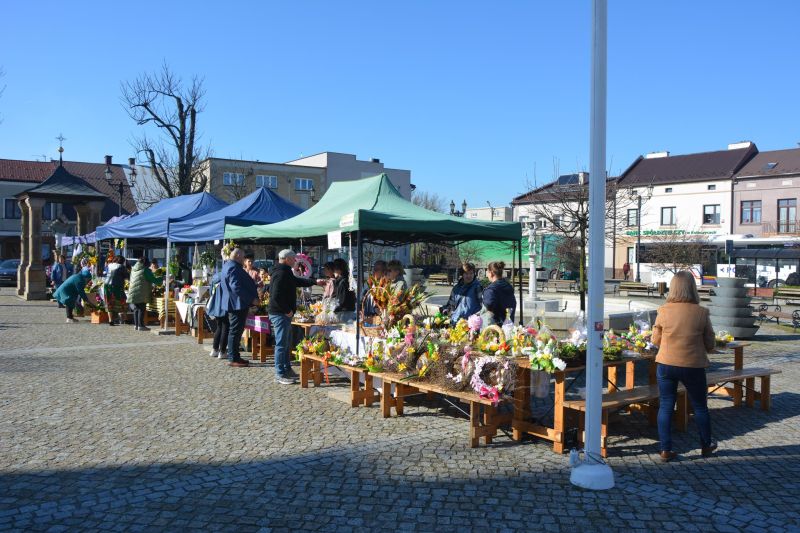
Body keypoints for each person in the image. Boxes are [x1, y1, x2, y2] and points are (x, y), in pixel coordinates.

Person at [651, 270, 717, 462]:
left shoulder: (663, 311)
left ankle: (665, 449)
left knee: (666, 405)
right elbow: (710, 343)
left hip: (666, 363)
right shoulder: (701, 312)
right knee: (700, 407)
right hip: (693, 364)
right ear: (692, 288)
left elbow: (655, 340)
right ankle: (706, 445)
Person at [268, 249, 324, 384]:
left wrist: (314, 281)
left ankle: (286, 369)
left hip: (282, 313)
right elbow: (275, 296)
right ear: (287, 259)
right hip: (280, 313)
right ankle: (280, 373)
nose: (295, 261)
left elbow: (296, 281)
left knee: (286, 343)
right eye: (294, 259)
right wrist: (287, 310)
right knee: (281, 344)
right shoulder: (281, 273)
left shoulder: (285, 271)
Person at [219, 248, 260, 368]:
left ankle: (235, 356)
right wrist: (251, 299)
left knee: (235, 331)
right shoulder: (233, 267)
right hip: (236, 304)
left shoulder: (230, 265)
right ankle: (233, 358)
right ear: (237, 256)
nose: (244, 259)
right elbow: (236, 287)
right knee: (235, 331)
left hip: (236, 303)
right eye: (242, 257)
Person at [127, 255, 161, 331]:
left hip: (133, 291)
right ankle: (141, 325)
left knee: (136, 308)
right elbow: (153, 280)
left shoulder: (134, 269)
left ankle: (136, 325)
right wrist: (162, 278)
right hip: (141, 291)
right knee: (141, 308)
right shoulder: (145, 270)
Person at [206, 259, 230, 359]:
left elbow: (210, 292)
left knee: (219, 327)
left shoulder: (216, 276)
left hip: (216, 305)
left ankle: (214, 349)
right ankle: (222, 351)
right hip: (225, 304)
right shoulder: (227, 276)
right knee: (225, 327)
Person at [482, 261, 516, 326]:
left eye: (487, 272)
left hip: (495, 328)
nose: (487, 275)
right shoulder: (508, 286)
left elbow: (487, 309)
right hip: (508, 325)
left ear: (491, 273)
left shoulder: (491, 290)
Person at [104, 256, 128, 326]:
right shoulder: (121, 267)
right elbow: (127, 276)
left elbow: (105, 273)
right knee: (122, 300)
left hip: (107, 285)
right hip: (117, 286)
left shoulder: (109, 265)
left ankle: (110, 320)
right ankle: (125, 319)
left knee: (109, 302)